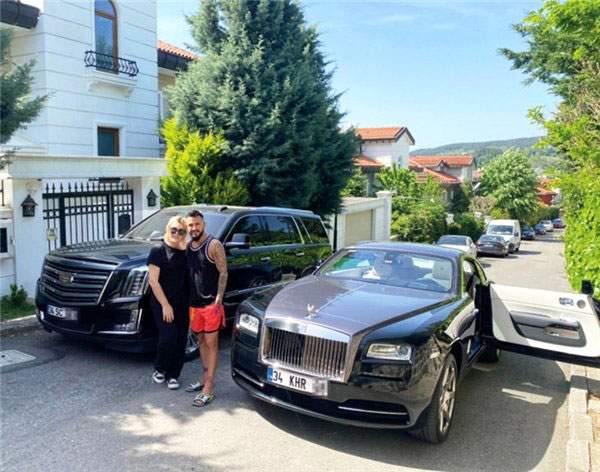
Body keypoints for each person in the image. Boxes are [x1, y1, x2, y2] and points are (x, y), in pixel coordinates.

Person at [185, 210, 228, 407]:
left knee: (211, 343)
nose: (194, 228)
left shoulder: (213, 245)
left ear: (203, 224)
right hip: (194, 305)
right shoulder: (189, 246)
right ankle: (204, 377)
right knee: (200, 340)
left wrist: (219, 297)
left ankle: (209, 386)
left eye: (197, 224)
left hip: (211, 304)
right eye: (190, 225)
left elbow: (223, 272)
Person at [147, 215, 189, 390]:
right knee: (168, 338)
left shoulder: (186, 251)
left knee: (180, 341)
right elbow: (153, 281)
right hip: (162, 302)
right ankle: (160, 368)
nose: (176, 234)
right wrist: (165, 305)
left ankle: (173, 375)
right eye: (174, 230)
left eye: (181, 231)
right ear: (167, 229)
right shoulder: (158, 250)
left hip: (182, 302)